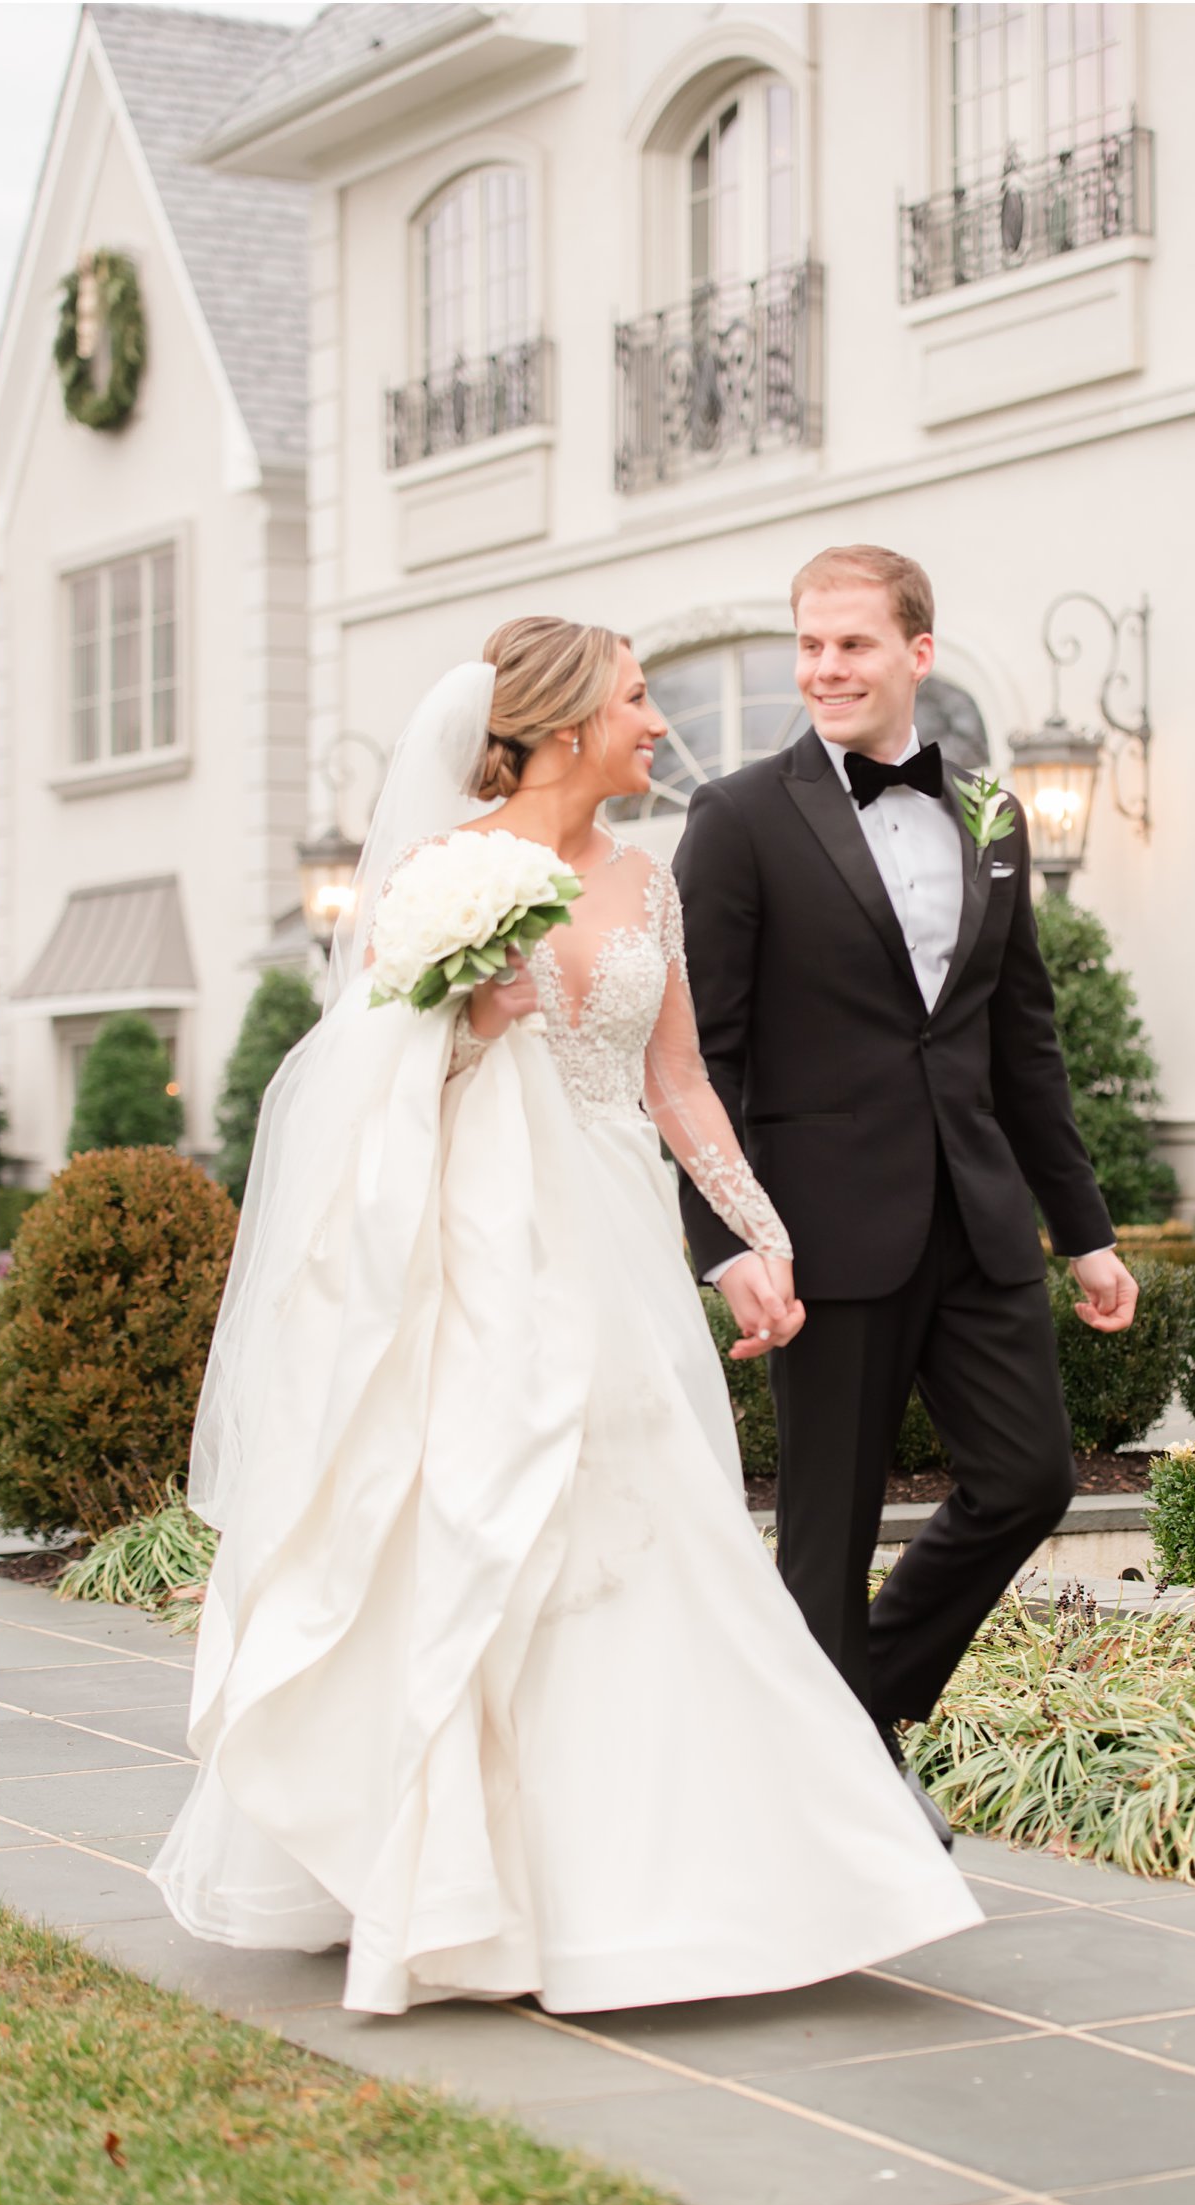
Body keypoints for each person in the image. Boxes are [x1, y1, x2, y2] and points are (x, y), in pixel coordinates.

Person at [151, 617, 980, 2016]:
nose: (659, 725)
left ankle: (702, 1881)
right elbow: (361, 1085)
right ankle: (479, 1885)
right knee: (492, 1526)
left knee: (666, 1533)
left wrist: (755, 1235)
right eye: (639, 700)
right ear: (556, 725)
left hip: (618, 1244)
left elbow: (680, 1084)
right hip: (485, 1253)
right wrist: (467, 1019)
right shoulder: (438, 877)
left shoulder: (648, 883)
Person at [673, 547, 1139, 1830]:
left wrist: (1083, 1232)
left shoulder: (989, 814)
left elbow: (1020, 1040)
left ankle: (847, 1705)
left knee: (1029, 1477)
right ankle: (849, 1796)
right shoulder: (738, 817)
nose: (825, 669)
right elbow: (700, 1052)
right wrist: (727, 1237)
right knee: (825, 1525)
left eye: (853, 646)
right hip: (818, 1228)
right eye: (808, 647)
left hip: (978, 1218)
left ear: (914, 655)